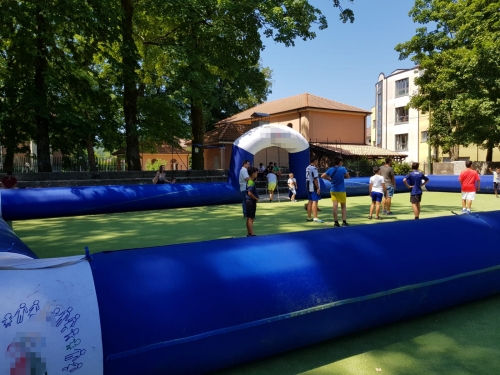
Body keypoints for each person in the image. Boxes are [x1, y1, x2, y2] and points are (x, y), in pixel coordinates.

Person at [321, 156, 350, 227]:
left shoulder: (330, 169)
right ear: (340, 162)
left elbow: (322, 176)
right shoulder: (343, 169)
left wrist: (328, 179)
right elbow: (348, 176)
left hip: (333, 190)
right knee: (343, 206)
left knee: (334, 206)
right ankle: (344, 221)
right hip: (341, 190)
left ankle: (336, 222)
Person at [306, 156, 323, 223]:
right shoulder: (314, 168)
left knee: (310, 201)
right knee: (315, 201)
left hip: (308, 186)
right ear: (315, 161)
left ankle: (309, 217)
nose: (317, 162)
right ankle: (315, 218)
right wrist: (318, 188)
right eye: (317, 161)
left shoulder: (307, 167)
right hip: (314, 187)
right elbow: (315, 179)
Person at [245, 167, 259, 236]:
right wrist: (256, 198)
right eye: (256, 173)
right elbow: (249, 193)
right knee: (251, 218)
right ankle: (252, 233)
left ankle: (249, 232)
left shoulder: (249, 181)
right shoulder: (251, 182)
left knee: (249, 217)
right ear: (253, 174)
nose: (257, 174)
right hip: (251, 201)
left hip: (249, 201)